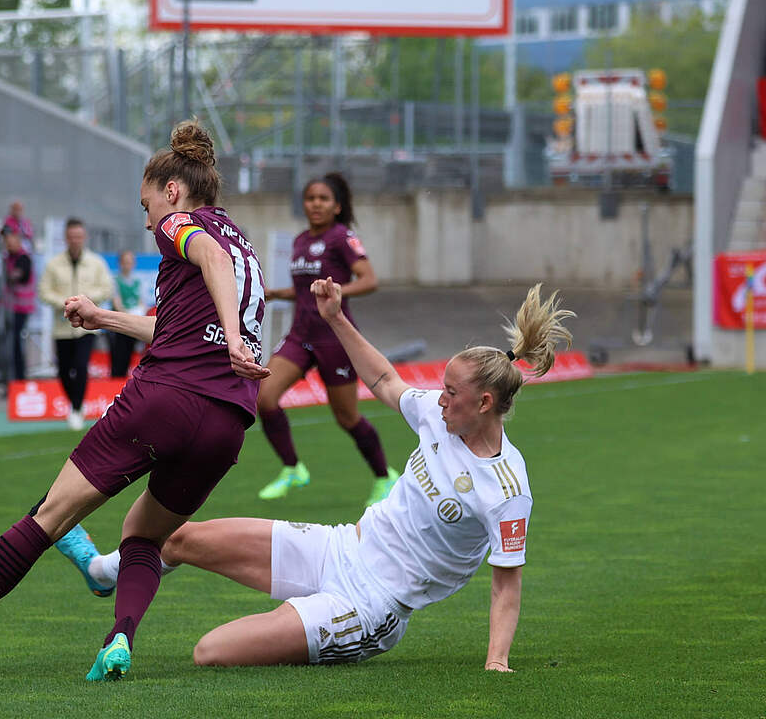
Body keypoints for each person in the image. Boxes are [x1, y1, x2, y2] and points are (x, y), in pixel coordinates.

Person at [0, 119, 270, 680]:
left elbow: (212, 263)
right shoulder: (242, 240)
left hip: (165, 400)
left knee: (48, 516)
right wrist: (103, 317)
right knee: (143, 535)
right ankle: (119, 641)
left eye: (146, 203)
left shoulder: (181, 224)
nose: (148, 217)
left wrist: (230, 337)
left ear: (172, 191)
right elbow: (181, 323)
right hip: (226, 422)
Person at [87, 281, 574, 672]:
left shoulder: (507, 488)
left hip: (371, 605)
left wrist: (497, 662)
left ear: (484, 403)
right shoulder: (436, 415)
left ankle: (324, 629)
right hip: (339, 548)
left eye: (450, 391)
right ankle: (101, 572)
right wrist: (336, 318)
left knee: (210, 652)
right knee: (178, 539)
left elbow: (506, 584)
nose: (438, 397)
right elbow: (385, 380)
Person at [256, 173, 391, 506]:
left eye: (323, 199)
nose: (316, 204)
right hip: (300, 335)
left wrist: (337, 291)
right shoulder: (301, 239)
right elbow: (307, 291)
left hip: (335, 339)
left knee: (346, 417)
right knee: (264, 397)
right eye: (310, 198)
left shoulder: (341, 236)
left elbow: (369, 279)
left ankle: (385, 476)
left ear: (337, 206)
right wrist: (278, 293)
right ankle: (293, 468)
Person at [38, 218, 114, 431]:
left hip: (87, 326)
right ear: (66, 238)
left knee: (81, 366)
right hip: (62, 327)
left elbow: (106, 288)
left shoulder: (96, 263)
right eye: (71, 237)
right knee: (63, 370)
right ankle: (74, 403)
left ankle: (78, 409)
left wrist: (85, 300)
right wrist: (64, 303)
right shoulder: (54, 264)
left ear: (84, 237)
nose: (75, 240)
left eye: (79, 236)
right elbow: (44, 291)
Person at [0, 226, 35, 383]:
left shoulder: (23, 259)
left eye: (10, 240)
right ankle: (12, 379)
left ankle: (19, 380)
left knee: (16, 344)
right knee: (10, 345)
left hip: (20, 309)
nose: (7, 243)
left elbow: (16, 277)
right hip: (9, 309)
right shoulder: (9, 258)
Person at [107, 250, 147, 378]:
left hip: (133, 323)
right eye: (125, 262)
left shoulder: (137, 281)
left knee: (130, 355)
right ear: (120, 263)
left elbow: (142, 302)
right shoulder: (115, 281)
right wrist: (127, 315)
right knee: (118, 357)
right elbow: (116, 303)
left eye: (130, 262)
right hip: (119, 325)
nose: (127, 265)